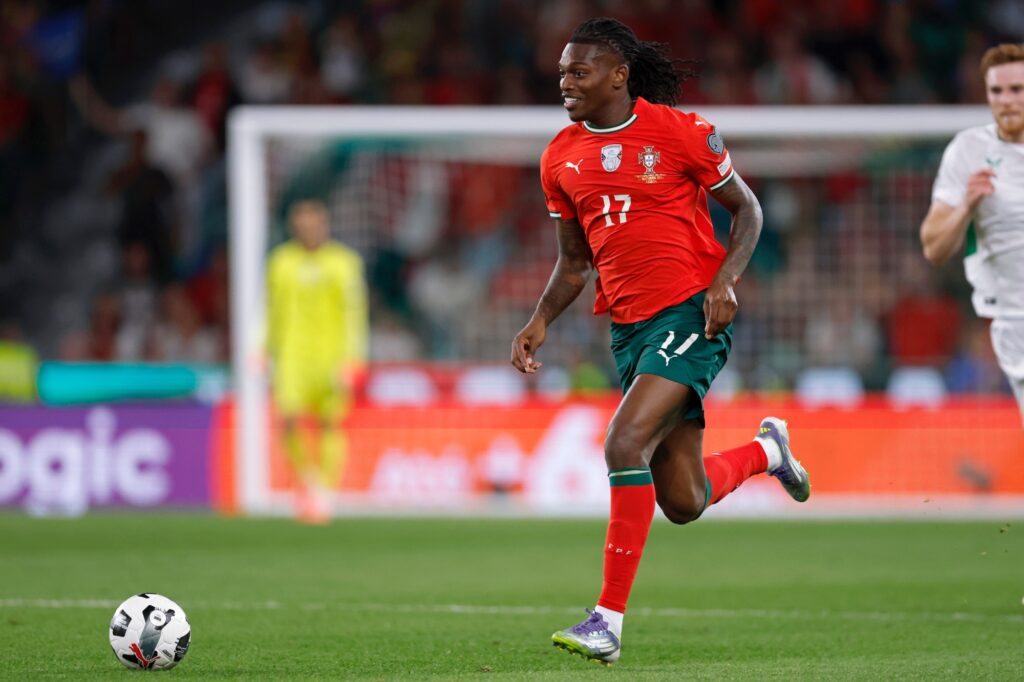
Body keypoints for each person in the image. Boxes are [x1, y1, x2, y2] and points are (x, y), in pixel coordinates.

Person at [510, 18, 810, 665]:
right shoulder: (559, 157)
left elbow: (749, 209)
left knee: (624, 442)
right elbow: (574, 263)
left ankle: (606, 622)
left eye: (580, 71)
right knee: (683, 499)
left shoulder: (682, 133)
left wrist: (725, 280)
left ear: (618, 75)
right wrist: (539, 320)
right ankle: (768, 451)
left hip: (691, 315)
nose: (566, 82)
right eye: (562, 73)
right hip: (628, 329)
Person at [920, 43, 1024, 425]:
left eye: (1017, 89)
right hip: (1014, 320)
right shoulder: (969, 151)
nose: (1006, 100)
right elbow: (933, 247)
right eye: (997, 91)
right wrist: (966, 204)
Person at [267, 199, 369, 523]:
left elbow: (355, 314)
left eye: (313, 225)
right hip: (292, 356)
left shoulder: (344, 263)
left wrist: (354, 358)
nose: (308, 231)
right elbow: (270, 309)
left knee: (330, 423)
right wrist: (262, 347)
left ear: (324, 226)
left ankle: (325, 490)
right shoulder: (281, 261)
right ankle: (308, 479)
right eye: (302, 226)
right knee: (288, 421)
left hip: (331, 356)